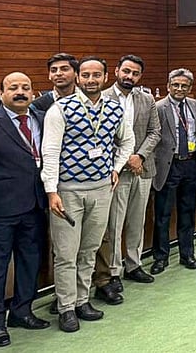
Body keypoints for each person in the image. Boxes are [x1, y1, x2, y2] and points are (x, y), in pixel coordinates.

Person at [41, 56, 134, 332]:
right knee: (66, 253)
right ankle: (66, 307)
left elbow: (127, 140)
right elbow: (50, 152)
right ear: (78, 78)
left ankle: (83, 300)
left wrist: (116, 167)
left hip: (101, 189)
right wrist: (51, 191)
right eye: (85, 75)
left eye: (96, 75)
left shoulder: (115, 110)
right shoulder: (61, 109)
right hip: (67, 192)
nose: (91, 80)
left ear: (106, 77)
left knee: (89, 249)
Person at [0, 73, 49, 347]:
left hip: (35, 205)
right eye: (13, 88)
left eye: (26, 87)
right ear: (1, 93)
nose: (20, 92)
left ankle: (22, 312)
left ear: (33, 93)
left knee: (30, 262)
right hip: (0, 208)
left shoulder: (39, 119)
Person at [94, 55, 161, 304]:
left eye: (134, 73)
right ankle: (113, 271)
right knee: (114, 223)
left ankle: (134, 264)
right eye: (126, 71)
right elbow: (99, 137)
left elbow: (155, 132)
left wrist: (139, 156)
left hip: (142, 168)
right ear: (116, 71)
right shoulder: (102, 98)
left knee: (137, 220)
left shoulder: (147, 99)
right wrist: (124, 159)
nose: (129, 76)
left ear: (139, 77)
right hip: (116, 172)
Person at [150, 69, 196, 275]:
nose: (179, 89)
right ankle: (161, 257)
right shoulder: (159, 107)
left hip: (190, 163)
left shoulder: (195, 105)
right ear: (168, 86)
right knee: (163, 214)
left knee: (188, 212)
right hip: (168, 166)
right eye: (176, 85)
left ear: (190, 88)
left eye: (184, 86)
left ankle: (187, 253)